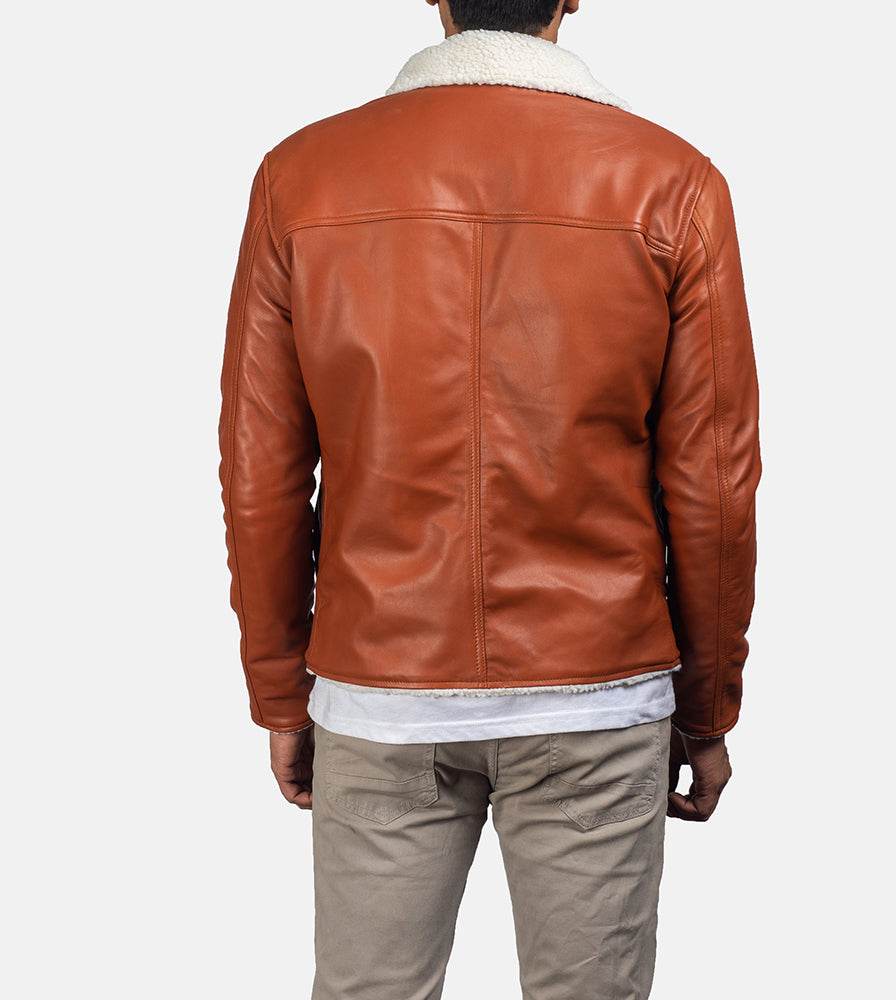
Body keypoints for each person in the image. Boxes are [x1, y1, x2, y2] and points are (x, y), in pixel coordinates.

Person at [219, 1, 761, 996]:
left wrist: (280, 693)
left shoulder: (301, 177)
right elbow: (712, 482)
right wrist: (706, 708)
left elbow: (261, 469)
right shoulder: (671, 179)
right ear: (570, 0)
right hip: (598, 694)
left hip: (379, 689)